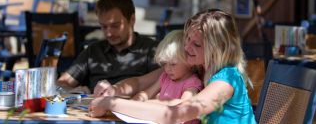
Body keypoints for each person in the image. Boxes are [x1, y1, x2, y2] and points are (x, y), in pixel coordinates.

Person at [89, 9, 257, 124]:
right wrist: (113, 90)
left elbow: (177, 114)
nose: (187, 48)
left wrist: (111, 103)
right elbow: (141, 83)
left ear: (218, 48)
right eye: (187, 40)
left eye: (196, 44)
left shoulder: (226, 81)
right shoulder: (199, 65)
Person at [57, 0, 160, 93]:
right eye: (104, 26)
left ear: (132, 19)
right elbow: (62, 83)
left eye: (115, 26)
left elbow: (162, 87)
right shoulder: (93, 51)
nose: (109, 33)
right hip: (94, 107)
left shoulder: (151, 50)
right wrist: (74, 90)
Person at [132, 30, 203, 124]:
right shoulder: (165, 77)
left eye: (173, 64)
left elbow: (183, 104)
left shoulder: (192, 82)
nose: (167, 69)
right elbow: (147, 93)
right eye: (165, 63)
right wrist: (138, 100)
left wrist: (149, 103)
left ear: (189, 62)